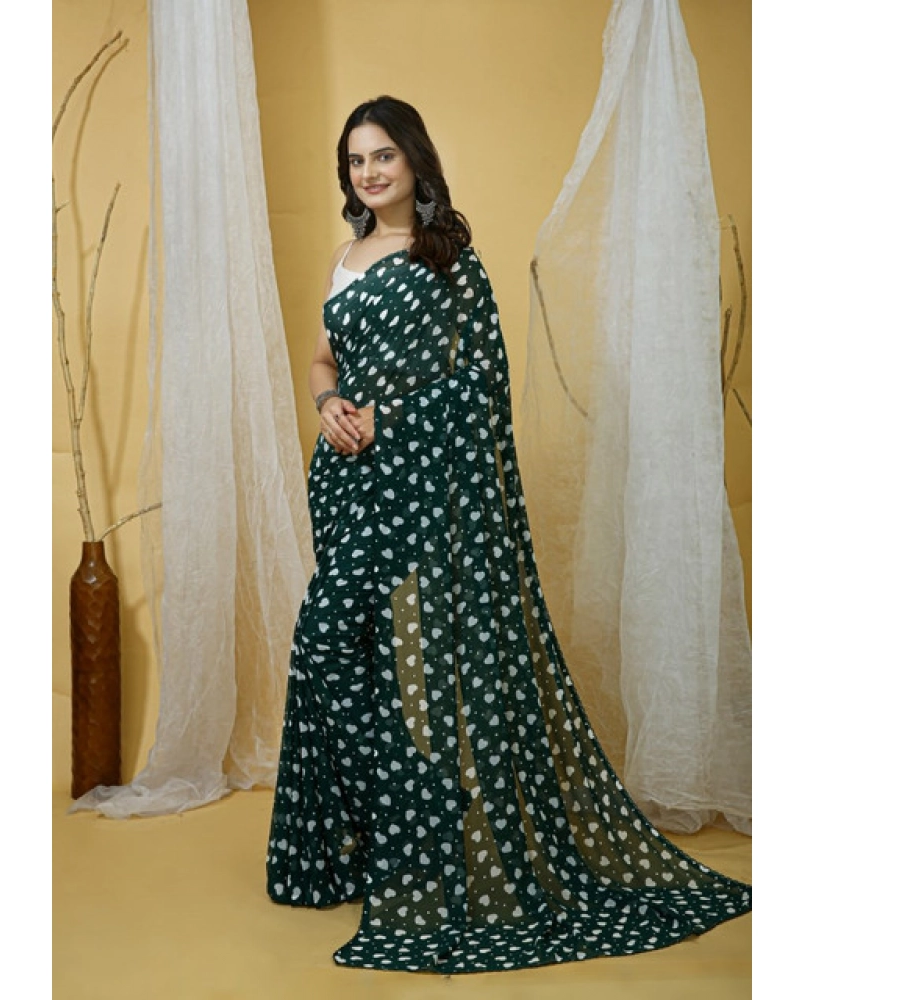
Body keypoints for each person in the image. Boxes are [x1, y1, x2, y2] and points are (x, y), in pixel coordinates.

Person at [265, 95, 751, 975]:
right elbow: (323, 355)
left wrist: (388, 417)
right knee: (335, 646)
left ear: (414, 160)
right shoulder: (346, 256)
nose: (368, 172)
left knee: (417, 661)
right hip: (347, 486)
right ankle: (379, 836)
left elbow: (481, 386)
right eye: (355, 161)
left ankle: (428, 840)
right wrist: (329, 400)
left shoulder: (447, 259)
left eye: (382, 156)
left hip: (423, 490)